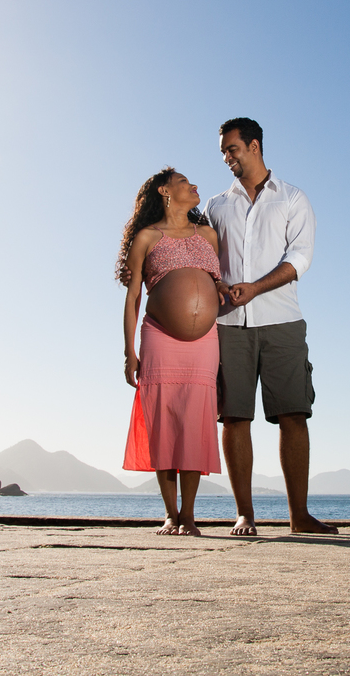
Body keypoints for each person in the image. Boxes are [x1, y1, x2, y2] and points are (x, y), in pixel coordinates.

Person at [205, 118, 338, 536]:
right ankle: (245, 514)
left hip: (282, 321)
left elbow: (300, 259)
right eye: (223, 151)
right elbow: (205, 260)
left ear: (255, 145)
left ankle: (299, 516)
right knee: (234, 418)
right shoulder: (215, 206)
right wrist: (219, 284)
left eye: (232, 149)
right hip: (227, 325)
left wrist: (256, 288)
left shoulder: (293, 199)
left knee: (294, 414)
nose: (227, 157)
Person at [117, 167, 223, 535]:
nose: (194, 186)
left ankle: (190, 515)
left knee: (195, 421)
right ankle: (169, 514)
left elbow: (216, 282)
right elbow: (133, 298)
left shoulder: (208, 234)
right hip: (160, 336)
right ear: (164, 190)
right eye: (184, 182)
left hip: (206, 342)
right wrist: (130, 352)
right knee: (163, 422)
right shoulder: (147, 237)